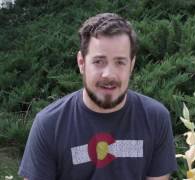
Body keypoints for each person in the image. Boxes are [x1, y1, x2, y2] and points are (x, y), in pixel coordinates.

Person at [18, 13, 177, 180]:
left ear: (132, 64)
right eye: (99, 61)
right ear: (81, 63)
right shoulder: (49, 124)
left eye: (120, 62)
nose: (109, 74)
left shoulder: (156, 118)